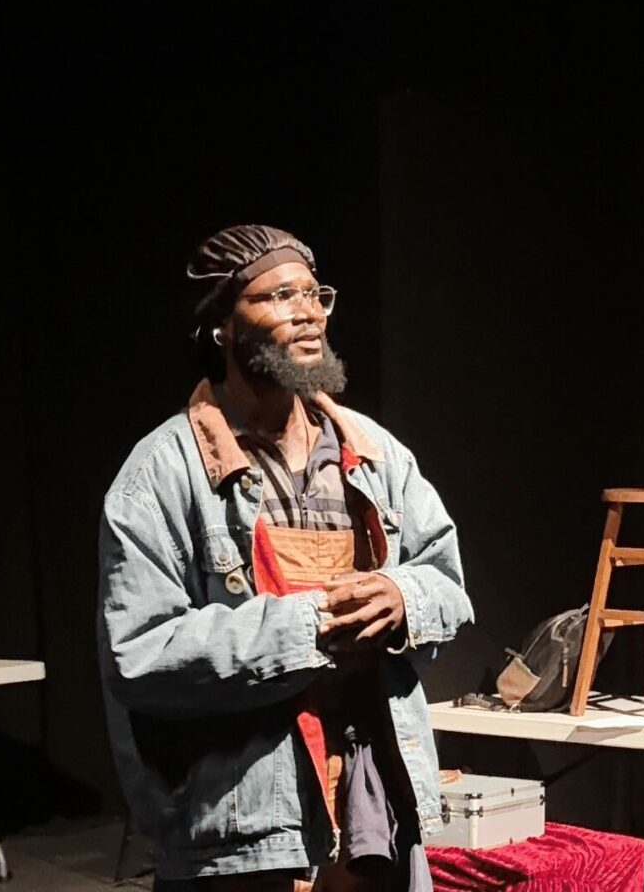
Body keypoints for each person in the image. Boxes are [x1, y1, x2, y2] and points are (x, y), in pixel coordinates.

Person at [99, 223, 472, 887]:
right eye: (276, 297)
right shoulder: (163, 473)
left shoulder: (374, 455)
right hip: (245, 827)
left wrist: (402, 597)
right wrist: (310, 627)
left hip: (372, 803)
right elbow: (140, 653)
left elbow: (447, 582)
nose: (305, 313)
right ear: (221, 326)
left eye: (314, 295)